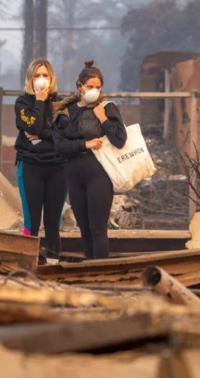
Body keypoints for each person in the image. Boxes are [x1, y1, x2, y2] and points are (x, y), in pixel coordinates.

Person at [52, 60, 127, 259]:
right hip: (74, 173)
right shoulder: (66, 110)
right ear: (80, 86)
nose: (94, 91)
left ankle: (102, 275)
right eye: (89, 87)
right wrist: (84, 144)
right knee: (84, 229)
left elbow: (120, 140)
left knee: (98, 229)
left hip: (99, 173)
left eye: (98, 87)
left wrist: (102, 118)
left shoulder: (107, 107)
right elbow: (59, 146)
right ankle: (88, 271)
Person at [14, 59, 67, 262]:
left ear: (52, 78)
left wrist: (43, 136)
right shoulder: (22, 103)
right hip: (30, 167)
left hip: (58, 168)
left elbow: (65, 136)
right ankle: (29, 262)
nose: (41, 80)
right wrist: (39, 100)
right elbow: (31, 126)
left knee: (53, 222)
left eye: (45, 75)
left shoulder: (62, 105)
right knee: (32, 220)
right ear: (30, 79)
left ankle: (53, 263)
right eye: (37, 76)